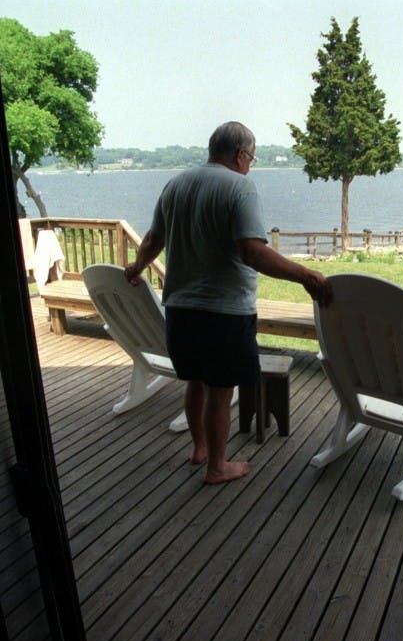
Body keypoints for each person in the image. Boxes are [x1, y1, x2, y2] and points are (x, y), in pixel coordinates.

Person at [125, 121, 333, 485]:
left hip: (179, 308)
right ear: (240, 154)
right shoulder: (240, 187)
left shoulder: (176, 184)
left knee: (194, 381)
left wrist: (137, 266)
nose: (250, 165)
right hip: (223, 311)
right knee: (221, 391)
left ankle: (199, 448)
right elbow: (253, 252)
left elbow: (153, 238)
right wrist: (306, 275)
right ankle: (217, 467)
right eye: (251, 158)